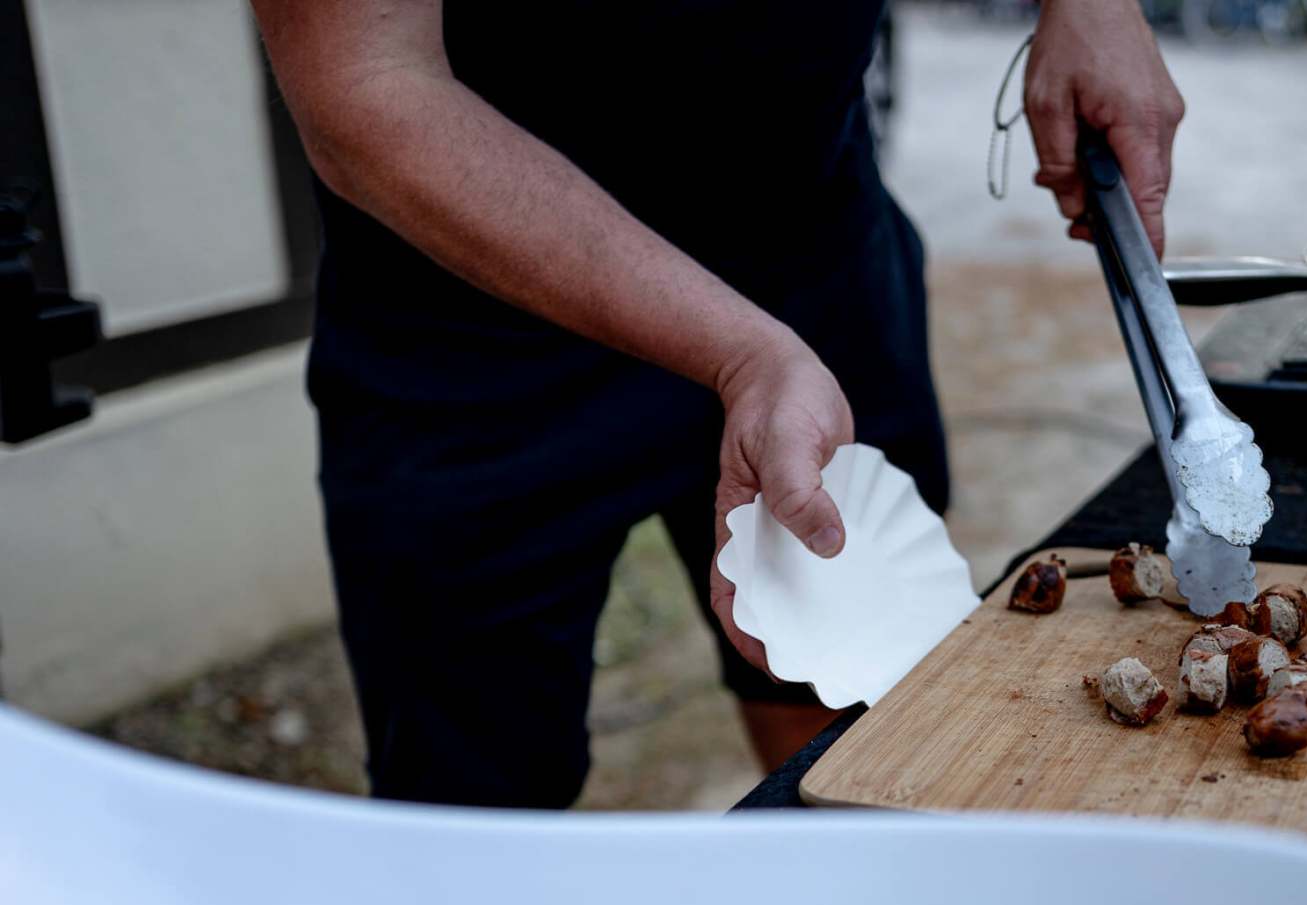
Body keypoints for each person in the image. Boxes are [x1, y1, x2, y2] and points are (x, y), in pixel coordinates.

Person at [251, 0, 1186, 807]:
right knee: (472, 816)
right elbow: (363, 88)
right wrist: (740, 350)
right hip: (474, 325)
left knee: (857, 738)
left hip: (810, 248)